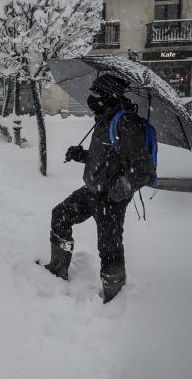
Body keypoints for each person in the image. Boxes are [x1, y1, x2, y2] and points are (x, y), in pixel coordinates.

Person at [41, 74, 152, 303]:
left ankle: (115, 294)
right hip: (92, 190)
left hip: (111, 198)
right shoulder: (104, 119)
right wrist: (80, 155)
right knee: (60, 215)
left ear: (109, 95)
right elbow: (105, 159)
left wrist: (115, 193)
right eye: (91, 91)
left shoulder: (126, 124)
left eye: (96, 92)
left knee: (109, 247)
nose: (90, 96)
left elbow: (143, 170)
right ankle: (57, 268)